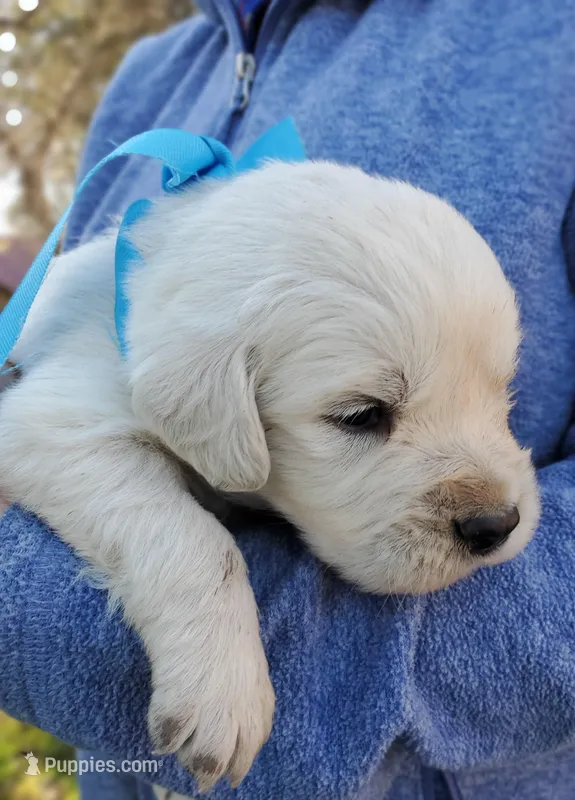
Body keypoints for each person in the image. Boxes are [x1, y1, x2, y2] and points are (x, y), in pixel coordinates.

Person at [2, 1, 575, 798]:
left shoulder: (545, 32)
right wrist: (194, 595)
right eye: (365, 415)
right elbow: (33, 437)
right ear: (207, 399)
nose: (490, 501)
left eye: (499, 392)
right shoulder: (152, 84)